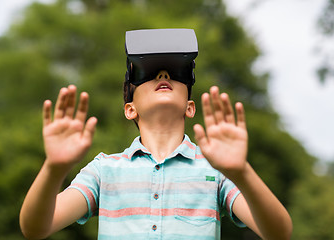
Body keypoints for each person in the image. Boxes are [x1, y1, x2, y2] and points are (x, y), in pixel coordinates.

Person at [19, 30, 292, 240]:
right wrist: (54, 168)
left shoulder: (216, 171)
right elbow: (35, 228)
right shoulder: (104, 170)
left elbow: (279, 233)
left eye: (177, 73)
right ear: (130, 109)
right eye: (147, 74)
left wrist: (241, 171)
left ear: (190, 107)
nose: (163, 74)